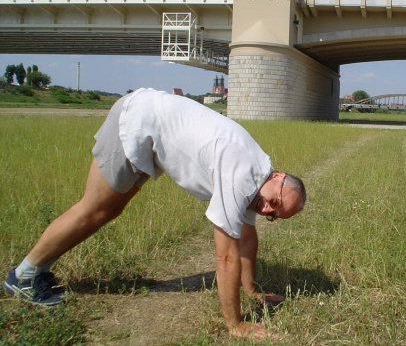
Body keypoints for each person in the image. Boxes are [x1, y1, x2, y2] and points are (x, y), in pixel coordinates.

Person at [2, 88, 306, 340]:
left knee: (109, 209)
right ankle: (25, 276)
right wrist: (235, 324)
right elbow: (226, 257)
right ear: (278, 176)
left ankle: (37, 270)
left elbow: (247, 238)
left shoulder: (258, 180)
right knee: (94, 210)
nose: (267, 209)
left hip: (151, 134)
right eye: (275, 203)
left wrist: (252, 291)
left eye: (273, 215)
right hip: (137, 121)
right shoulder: (242, 174)